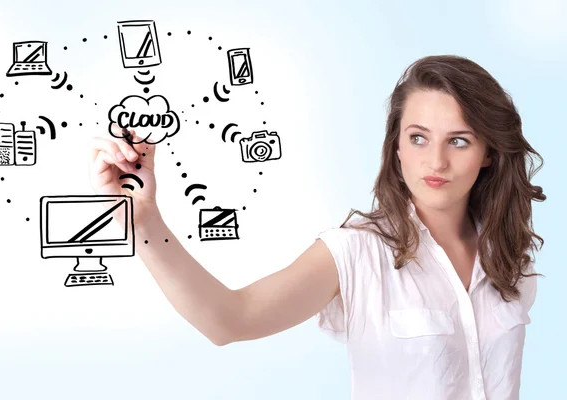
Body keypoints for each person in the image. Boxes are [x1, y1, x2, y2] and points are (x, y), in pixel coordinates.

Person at [88, 55, 546, 399]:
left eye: (459, 141)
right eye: (419, 137)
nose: (436, 160)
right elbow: (229, 319)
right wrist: (145, 221)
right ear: (398, 147)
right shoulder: (356, 252)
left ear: (488, 152)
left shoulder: (510, 262)